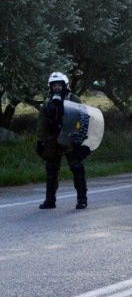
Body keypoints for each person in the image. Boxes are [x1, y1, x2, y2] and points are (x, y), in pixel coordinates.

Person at [36, 72, 91, 209]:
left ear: (64, 85)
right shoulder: (47, 103)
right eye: (54, 85)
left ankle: (82, 199)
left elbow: (84, 119)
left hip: (70, 138)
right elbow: (41, 123)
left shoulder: (73, 100)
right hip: (53, 139)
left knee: (77, 167)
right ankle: (50, 200)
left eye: (59, 85)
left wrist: (80, 140)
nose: (57, 88)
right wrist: (40, 141)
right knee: (51, 168)